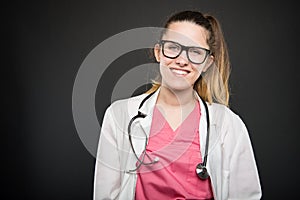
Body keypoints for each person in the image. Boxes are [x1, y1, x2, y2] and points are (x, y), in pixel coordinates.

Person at [93, 10, 262, 200]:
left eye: (195, 52)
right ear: (158, 52)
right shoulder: (119, 115)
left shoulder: (228, 124)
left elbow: (246, 196)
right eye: (173, 47)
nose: (182, 60)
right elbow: (105, 195)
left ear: (207, 63)